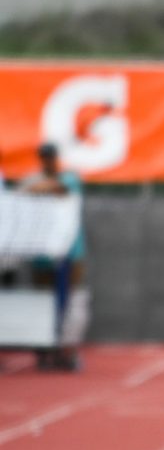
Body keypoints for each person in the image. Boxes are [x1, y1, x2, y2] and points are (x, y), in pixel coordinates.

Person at [19, 143, 87, 371]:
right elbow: (24, 192)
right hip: (42, 251)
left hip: (70, 249)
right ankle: (44, 346)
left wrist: (41, 186)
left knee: (71, 298)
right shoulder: (32, 179)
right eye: (44, 157)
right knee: (43, 298)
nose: (48, 161)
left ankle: (66, 347)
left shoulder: (69, 178)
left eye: (51, 157)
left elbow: (61, 189)